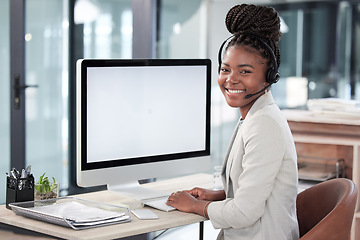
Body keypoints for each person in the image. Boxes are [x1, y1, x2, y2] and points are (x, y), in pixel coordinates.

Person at [166, 4, 299, 240]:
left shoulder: (264, 125)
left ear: (270, 76)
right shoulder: (253, 116)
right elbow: (257, 190)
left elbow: (244, 213)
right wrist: (219, 195)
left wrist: (196, 206)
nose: (230, 80)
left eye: (245, 71)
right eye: (225, 69)